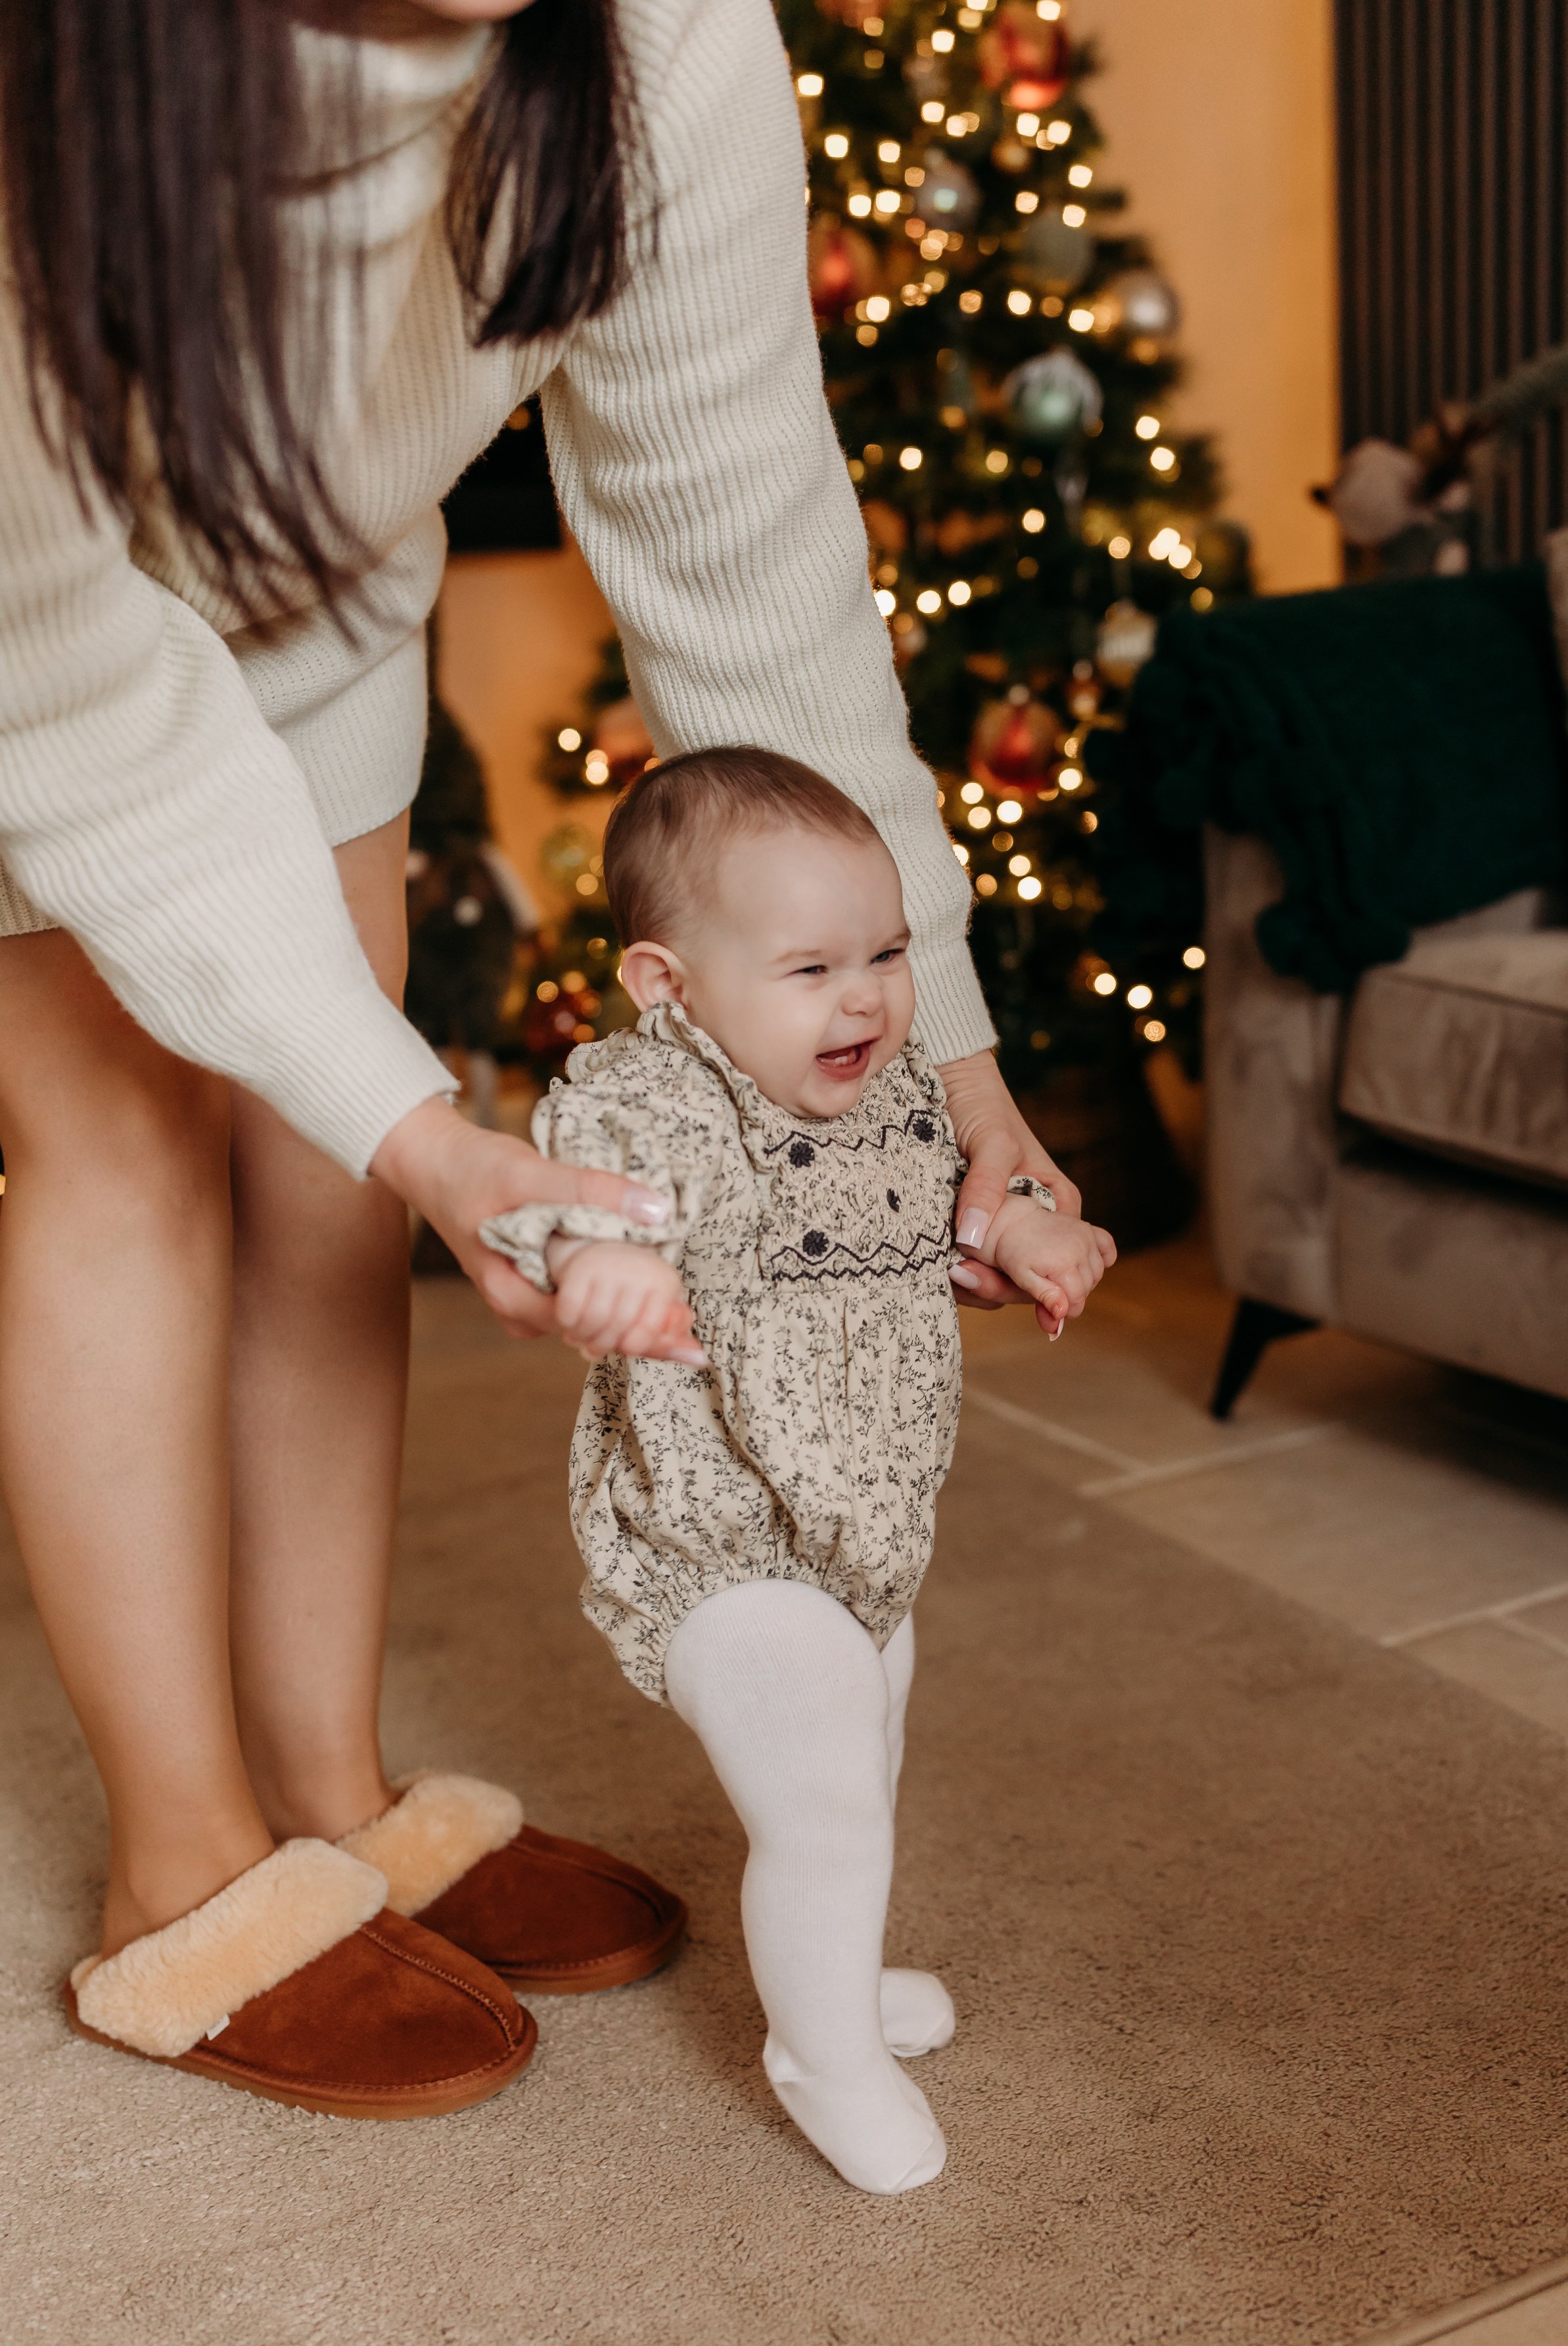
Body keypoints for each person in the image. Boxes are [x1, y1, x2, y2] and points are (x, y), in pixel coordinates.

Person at [0, 0, 1074, 2120]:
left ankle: (332, 1783)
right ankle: (186, 1861)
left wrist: (952, 1055)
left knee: (320, 1187)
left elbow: (750, 565)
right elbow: (60, 678)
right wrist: (430, 1131)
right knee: (119, 1155)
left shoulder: (665, 34)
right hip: (35, 643)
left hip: (303, 589)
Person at [484, 748, 1114, 2191]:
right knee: (822, 1785)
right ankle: (818, 2054)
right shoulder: (672, 1097)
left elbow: (953, 1216)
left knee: (860, 1765)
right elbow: (594, 1190)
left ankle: (836, 1976)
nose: (864, 995)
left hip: (863, 1526)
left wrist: (1021, 1238)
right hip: (718, 1530)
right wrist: (609, 1257)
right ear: (668, 986)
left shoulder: (890, 1091)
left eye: (887, 953)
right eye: (811, 965)